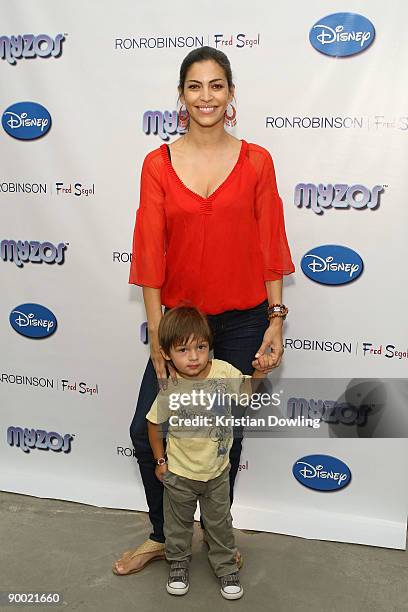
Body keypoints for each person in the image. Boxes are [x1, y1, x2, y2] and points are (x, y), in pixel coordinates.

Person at [113, 45, 294, 576]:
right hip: (183, 328)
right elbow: (150, 255)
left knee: (222, 439)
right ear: (181, 96)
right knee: (143, 431)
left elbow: (271, 247)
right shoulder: (158, 163)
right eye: (195, 86)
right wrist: (156, 339)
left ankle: (216, 538)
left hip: (242, 325)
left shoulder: (258, 161)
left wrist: (275, 321)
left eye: (216, 85)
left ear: (231, 93)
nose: (206, 96)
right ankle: (163, 535)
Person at [146, 305, 276, 599]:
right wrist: (160, 460)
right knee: (177, 526)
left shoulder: (223, 372)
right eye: (183, 350)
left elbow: (245, 394)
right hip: (179, 475)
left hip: (217, 474)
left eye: (201, 347)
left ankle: (226, 566)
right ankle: (178, 563)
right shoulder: (171, 386)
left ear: (209, 346)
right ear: (166, 353)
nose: (193, 357)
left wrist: (259, 369)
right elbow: (153, 425)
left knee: (219, 526)